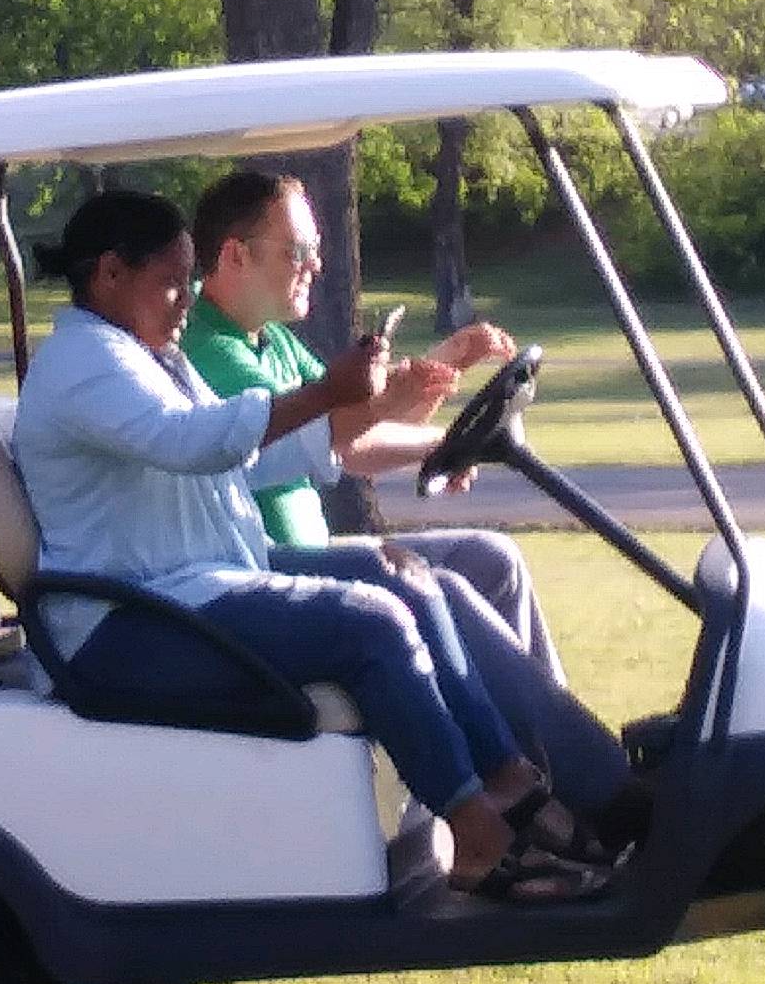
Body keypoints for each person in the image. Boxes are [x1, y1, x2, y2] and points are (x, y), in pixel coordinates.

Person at [11, 190, 636, 904]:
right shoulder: (86, 363)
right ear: (110, 273)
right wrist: (324, 396)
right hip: (125, 625)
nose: (186, 300)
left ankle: (507, 779)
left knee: (400, 572)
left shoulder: (143, 356)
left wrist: (339, 412)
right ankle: (479, 839)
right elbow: (190, 443)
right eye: (171, 283)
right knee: (370, 623)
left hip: (190, 584)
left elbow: (239, 458)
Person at [181, 167, 565, 681]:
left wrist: (442, 383)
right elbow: (335, 432)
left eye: (316, 249)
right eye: (298, 251)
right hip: (270, 574)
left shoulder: (270, 338)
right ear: (235, 255)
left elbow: (353, 433)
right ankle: (534, 728)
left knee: (493, 560)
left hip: (314, 554)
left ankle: (545, 721)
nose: (316, 265)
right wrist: (437, 433)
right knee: (438, 583)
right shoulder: (210, 349)